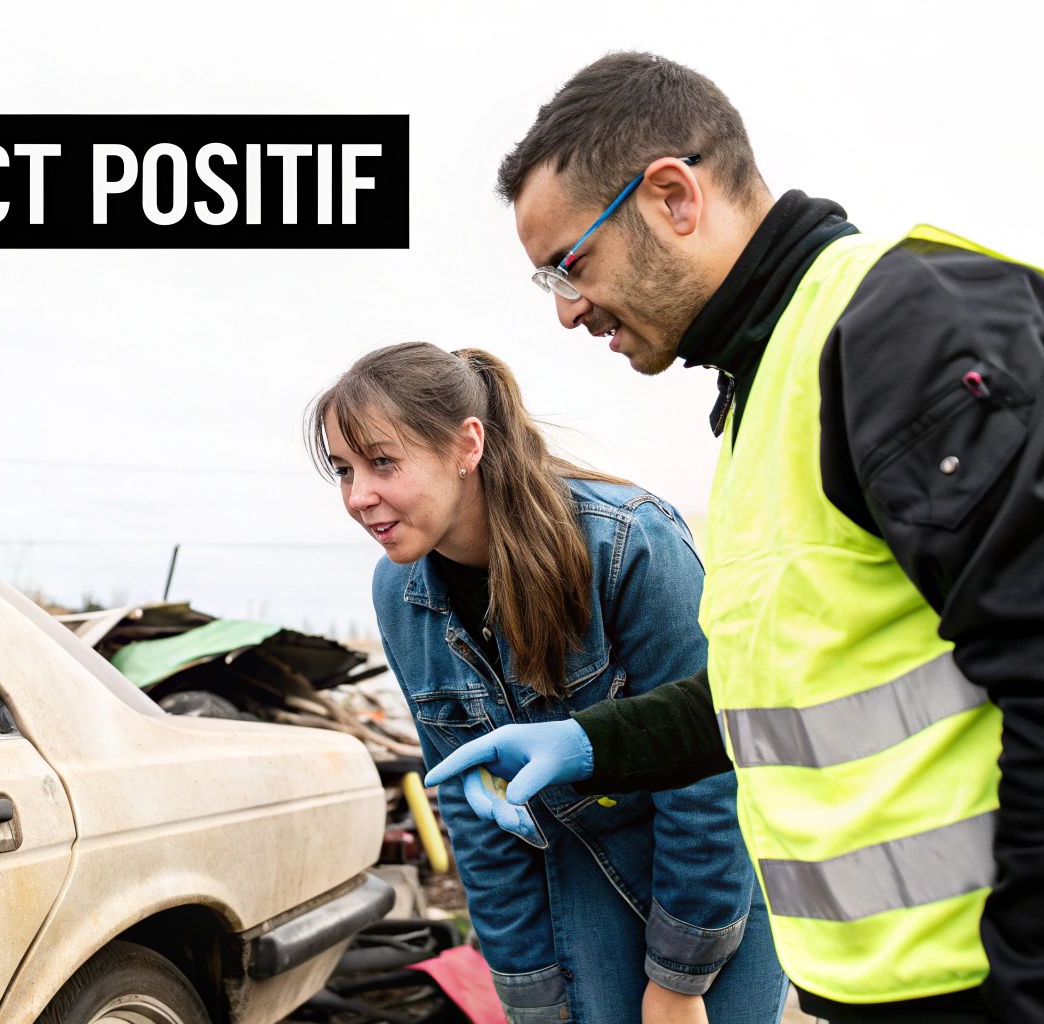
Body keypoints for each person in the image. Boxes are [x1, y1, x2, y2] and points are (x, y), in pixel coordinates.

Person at [426, 53, 1044, 1024]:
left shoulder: (897, 330)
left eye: (569, 263)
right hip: (936, 982)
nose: (565, 309)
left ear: (670, 196)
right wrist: (589, 742)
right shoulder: (764, 388)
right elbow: (793, 693)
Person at [308, 342, 787, 1024]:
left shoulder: (626, 542)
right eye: (344, 470)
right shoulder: (399, 592)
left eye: (383, 462)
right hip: (576, 894)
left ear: (465, 445)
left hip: (711, 881)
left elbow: (709, 773)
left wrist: (681, 977)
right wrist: (527, 990)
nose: (359, 497)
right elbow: (476, 818)